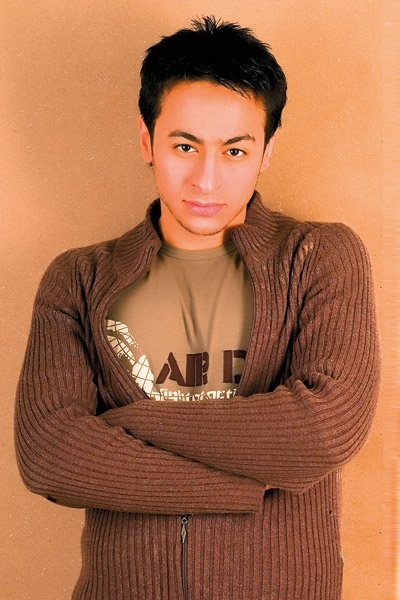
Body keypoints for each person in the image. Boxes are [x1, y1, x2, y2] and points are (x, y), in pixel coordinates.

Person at [15, 15, 380, 600]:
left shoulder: (318, 257)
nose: (206, 180)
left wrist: (124, 426)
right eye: (185, 146)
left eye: (235, 150)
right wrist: (245, 489)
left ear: (265, 151)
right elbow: (50, 455)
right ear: (147, 140)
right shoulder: (78, 279)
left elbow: (325, 431)